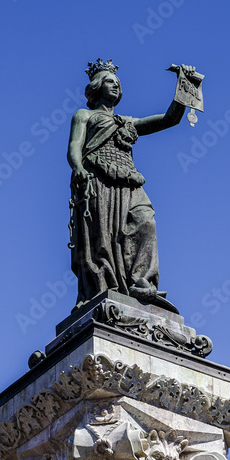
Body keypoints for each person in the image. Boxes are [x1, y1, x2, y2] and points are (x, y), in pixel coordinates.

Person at [67, 59, 197, 313]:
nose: (115, 86)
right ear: (96, 86)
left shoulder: (126, 122)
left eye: (118, 83)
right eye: (110, 82)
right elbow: (74, 147)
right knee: (103, 238)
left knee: (146, 221)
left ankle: (142, 282)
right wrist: (78, 168)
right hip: (98, 181)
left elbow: (169, 119)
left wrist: (185, 85)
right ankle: (105, 283)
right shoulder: (85, 116)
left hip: (128, 181)